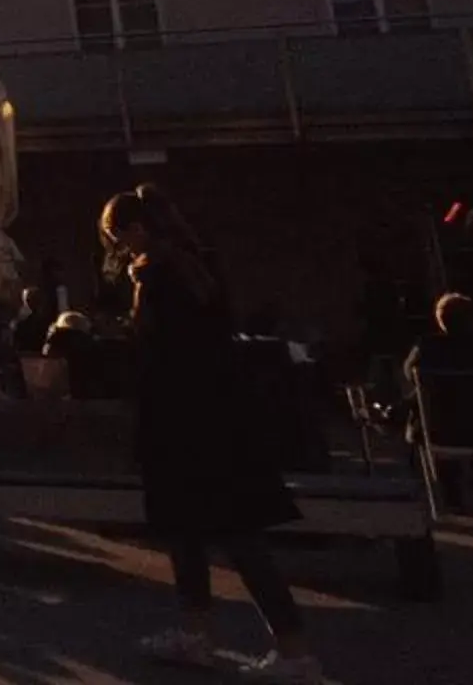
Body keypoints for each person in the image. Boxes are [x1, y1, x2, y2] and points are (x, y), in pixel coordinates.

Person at [101, 187, 320, 681]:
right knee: (228, 534)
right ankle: (279, 645)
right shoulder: (200, 270)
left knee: (202, 533)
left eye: (119, 237)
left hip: (181, 422)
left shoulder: (158, 279)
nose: (119, 249)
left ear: (140, 230)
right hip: (222, 419)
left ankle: (275, 649)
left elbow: (158, 356)